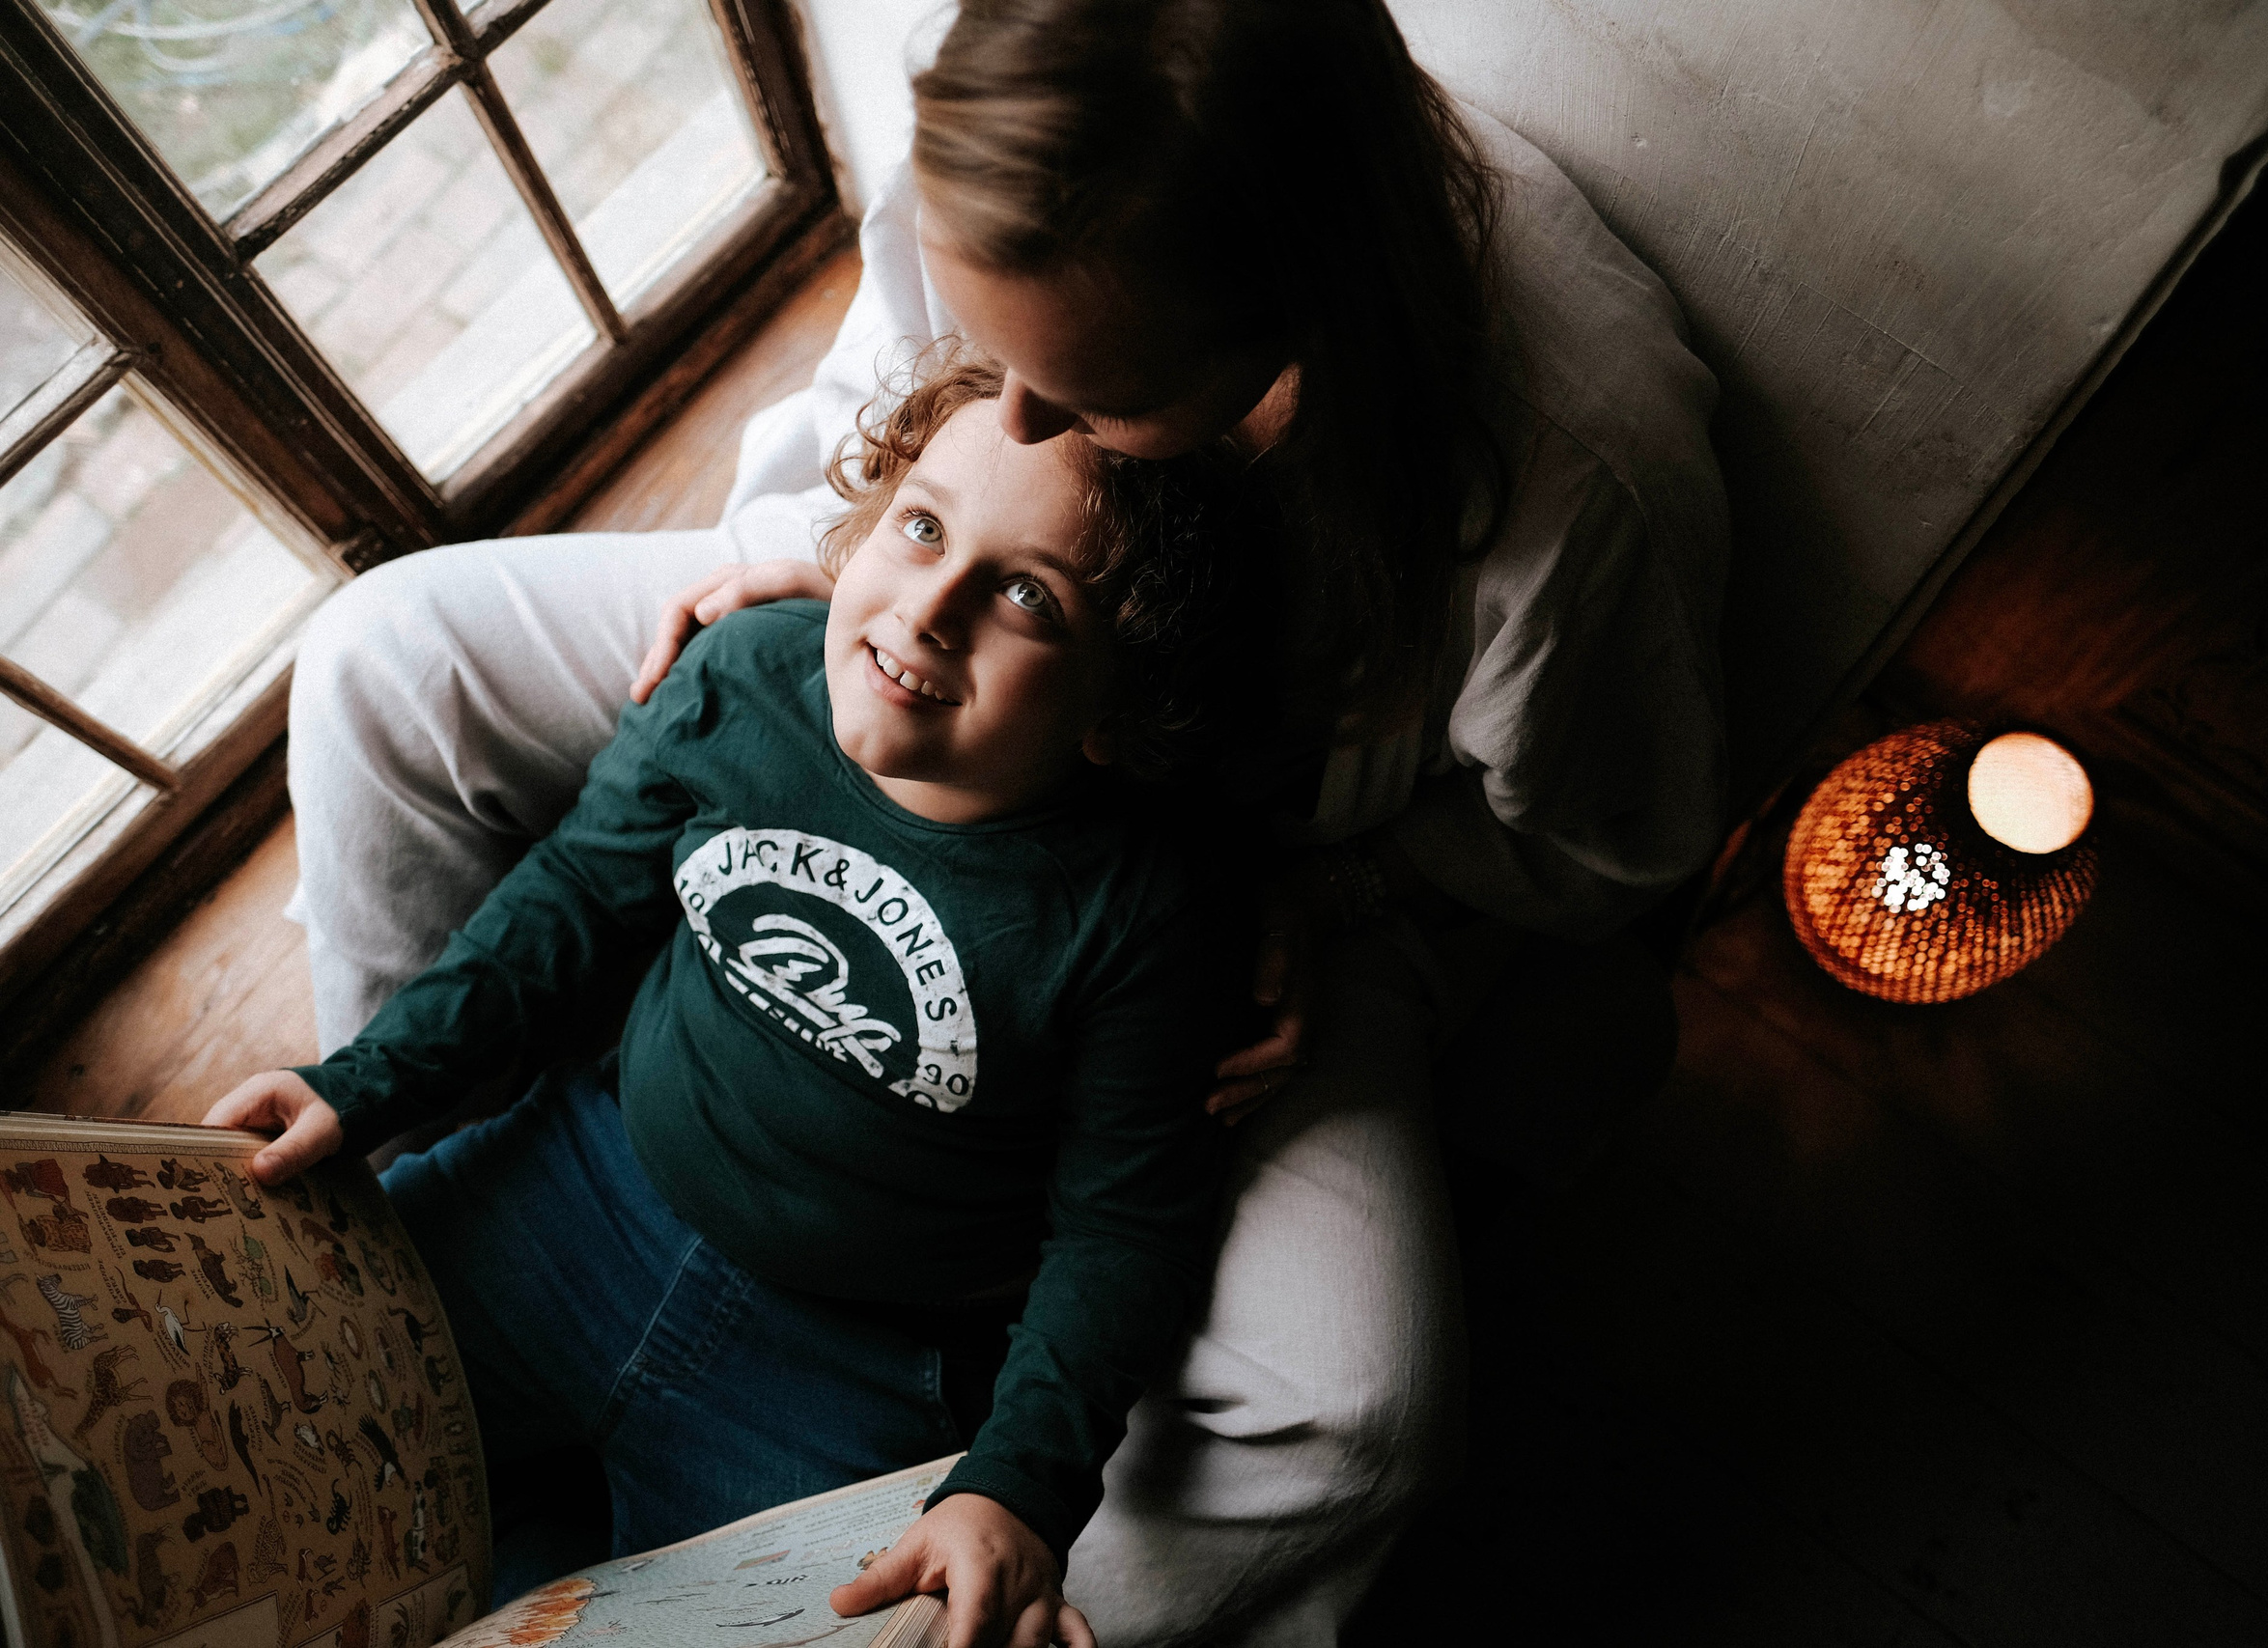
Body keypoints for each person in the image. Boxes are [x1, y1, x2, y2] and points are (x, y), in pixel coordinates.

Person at [285, 1, 1730, 1640]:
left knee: (1361, 1416)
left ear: (1287, 329)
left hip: (1309, 876)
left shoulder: (1576, 485)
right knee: (384, 659)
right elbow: (923, 413)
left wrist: (1339, 892)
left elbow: (1604, 851)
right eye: (1004, 352)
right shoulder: (1013, 137)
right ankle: (408, 1180)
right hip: (903, 640)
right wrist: (856, 559)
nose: (1024, 415)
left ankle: (903, 1583)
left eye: (1092, 391)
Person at [211, 352, 1270, 1647]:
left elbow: (1120, 1233)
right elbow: (568, 904)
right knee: (252, 1438)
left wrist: (1018, 1489)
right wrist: (366, 1081)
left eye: (1025, 596)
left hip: (847, 1375)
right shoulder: (744, 678)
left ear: (1122, 700)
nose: (930, 609)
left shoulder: (1146, 910)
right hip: (571, 1200)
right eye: (921, 527)